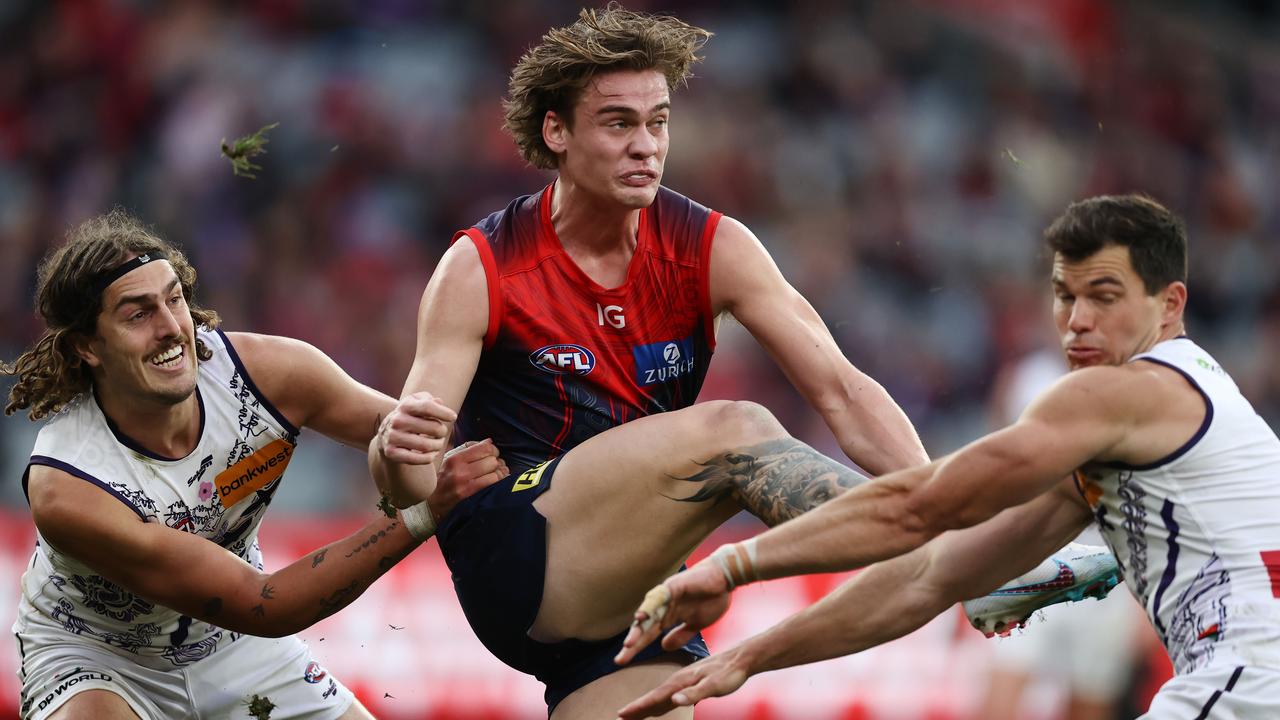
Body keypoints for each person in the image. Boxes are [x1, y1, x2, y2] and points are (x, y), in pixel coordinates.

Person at [368, 7, 1115, 718]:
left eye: (658, 122)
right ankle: (970, 564)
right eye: (618, 123)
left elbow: (845, 393)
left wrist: (938, 497)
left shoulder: (712, 245)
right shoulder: (483, 265)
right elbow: (412, 481)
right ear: (555, 131)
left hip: (632, 598)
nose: (646, 145)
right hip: (517, 557)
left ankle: (961, 554)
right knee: (735, 428)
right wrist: (396, 460)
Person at [616, 194, 1280, 720]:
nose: (1076, 320)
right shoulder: (1154, 416)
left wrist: (734, 564)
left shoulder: (1122, 392)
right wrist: (751, 657)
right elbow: (928, 578)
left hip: (1249, 685)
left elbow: (919, 506)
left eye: (1103, 297)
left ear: (1170, 305)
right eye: (1065, 294)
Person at [2, 209, 506, 720]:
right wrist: (419, 516)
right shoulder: (68, 485)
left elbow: (418, 442)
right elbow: (264, 602)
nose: (170, 328)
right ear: (88, 346)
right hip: (97, 659)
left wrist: (405, 454)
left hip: (230, 645)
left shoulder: (271, 375)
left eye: (174, 299)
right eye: (137, 314)